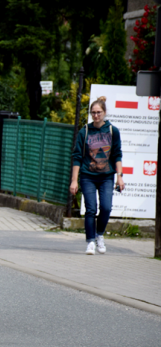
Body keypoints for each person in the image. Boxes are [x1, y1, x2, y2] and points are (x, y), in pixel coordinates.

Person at [70, 96, 124, 255]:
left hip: (107, 176)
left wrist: (119, 176)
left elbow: (117, 155)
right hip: (88, 176)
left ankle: (99, 235)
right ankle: (90, 242)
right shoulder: (84, 132)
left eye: (99, 112)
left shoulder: (113, 131)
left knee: (106, 207)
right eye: (93, 113)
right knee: (91, 209)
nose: (96, 115)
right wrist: (74, 181)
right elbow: (77, 157)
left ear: (104, 113)